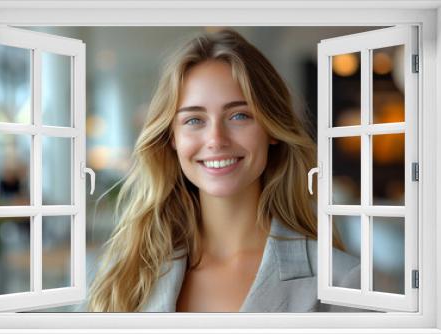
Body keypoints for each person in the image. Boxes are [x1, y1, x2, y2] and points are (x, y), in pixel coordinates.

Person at [88, 29, 361, 312]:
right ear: (172, 137)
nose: (216, 139)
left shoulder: (342, 282)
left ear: (271, 128)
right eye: (194, 120)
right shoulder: (127, 276)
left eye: (239, 115)